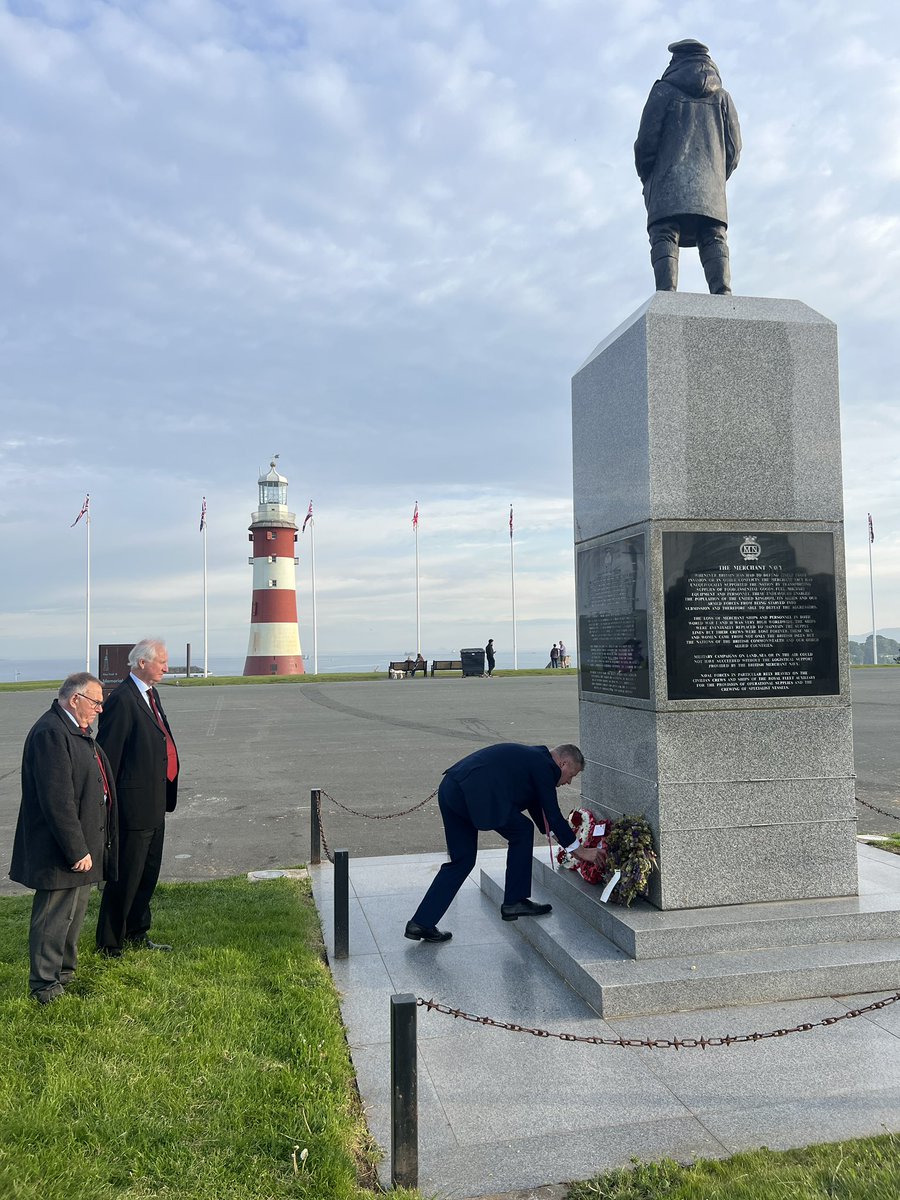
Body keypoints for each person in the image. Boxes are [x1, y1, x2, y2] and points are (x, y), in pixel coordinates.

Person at [405, 743, 602, 942]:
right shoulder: (545, 766)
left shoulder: (534, 760)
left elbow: (542, 813)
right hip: (474, 793)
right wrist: (582, 852)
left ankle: (421, 923)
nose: (569, 782)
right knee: (522, 831)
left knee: (462, 861)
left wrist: (562, 838)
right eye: (572, 775)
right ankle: (514, 900)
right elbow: (552, 813)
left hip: (451, 788)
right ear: (563, 763)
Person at [9, 672, 118, 1003]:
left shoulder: (75, 730)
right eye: (97, 702)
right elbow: (57, 801)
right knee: (54, 917)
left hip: (82, 846)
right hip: (61, 849)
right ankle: (44, 985)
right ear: (76, 699)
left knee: (73, 914)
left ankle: (64, 974)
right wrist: (76, 849)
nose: (100, 709)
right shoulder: (51, 734)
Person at [634, 39, 741, 295]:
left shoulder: (663, 91)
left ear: (676, 61)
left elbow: (646, 144)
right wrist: (715, 178)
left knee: (664, 234)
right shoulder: (723, 98)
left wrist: (649, 177)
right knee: (713, 236)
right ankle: (722, 291)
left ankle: (666, 293)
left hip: (667, 183)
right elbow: (734, 150)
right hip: (710, 189)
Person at [95, 639, 179, 957]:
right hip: (132, 807)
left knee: (147, 872)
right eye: (162, 662)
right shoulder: (122, 700)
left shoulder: (150, 693)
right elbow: (108, 757)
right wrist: (109, 806)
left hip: (155, 801)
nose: (167, 668)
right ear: (141, 663)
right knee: (126, 876)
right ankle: (110, 941)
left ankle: (136, 931)